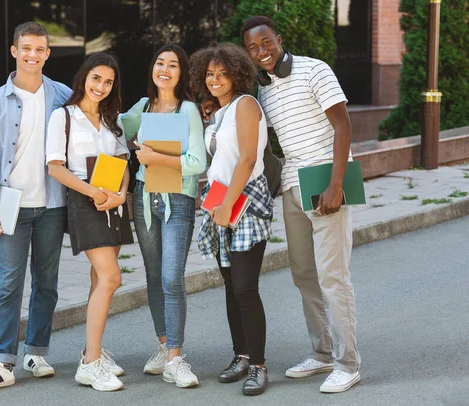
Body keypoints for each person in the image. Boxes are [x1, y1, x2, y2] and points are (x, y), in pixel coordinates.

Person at [241, 16, 361, 393]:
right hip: (293, 186)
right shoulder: (265, 91)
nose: (261, 52)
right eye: (253, 48)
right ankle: (322, 352)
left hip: (326, 179)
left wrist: (336, 184)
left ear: (279, 38)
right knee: (304, 274)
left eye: (266, 43)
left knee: (332, 275)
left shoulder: (315, 69)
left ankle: (348, 363)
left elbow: (343, 125)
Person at [0, 21, 72, 393]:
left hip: (51, 204)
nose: (33, 55)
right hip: (10, 206)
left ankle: (37, 352)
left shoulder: (63, 95)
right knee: (9, 285)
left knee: (47, 284)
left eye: (40, 49)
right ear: (14, 51)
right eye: (26, 48)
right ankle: (3, 361)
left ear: (48, 54)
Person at [120, 44, 206, 388]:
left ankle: (175, 358)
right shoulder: (141, 108)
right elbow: (114, 132)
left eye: (173, 65)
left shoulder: (188, 110)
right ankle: (162, 344)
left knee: (172, 277)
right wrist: (135, 149)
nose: (165, 70)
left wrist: (155, 157)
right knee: (153, 276)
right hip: (144, 198)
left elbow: (199, 163)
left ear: (181, 72)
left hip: (178, 200)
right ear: (152, 69)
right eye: (159, 63)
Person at [46, 52, 133, 392]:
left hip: (113, 202)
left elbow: (124, 163)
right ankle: (90, 363)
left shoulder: (114, 120)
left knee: (100, 278)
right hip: (85, 203)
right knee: (112, 277)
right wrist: (93, 192)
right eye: (96, 78)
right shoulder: (63, 117)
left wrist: (121, 195)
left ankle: (93, 349)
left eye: (108, 82)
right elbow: (55, 167)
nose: (101, 86)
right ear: (83, 78)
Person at [190, 42, 273, 396]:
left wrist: (228, 204)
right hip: (220, 203)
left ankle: (258, 365)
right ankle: (240, 356)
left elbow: (248, 159)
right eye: (210, 74)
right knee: (229, 286)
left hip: (246, 202)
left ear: (237, 74)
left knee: (244, 287)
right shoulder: (216, 112)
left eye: (223, 74)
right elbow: (221, 161)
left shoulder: (245, 104)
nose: (215, 79)